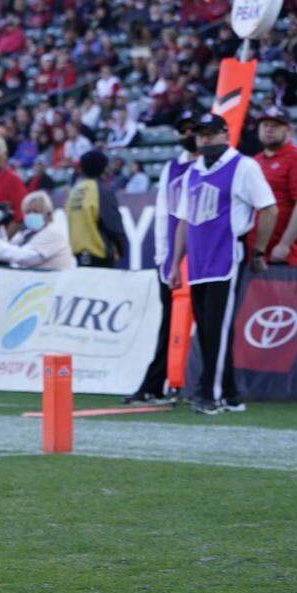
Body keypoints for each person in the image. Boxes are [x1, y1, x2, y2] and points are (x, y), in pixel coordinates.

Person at [168, 112, 277, 415]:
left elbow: (268, 208)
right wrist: (175, 263)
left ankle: (209, 393)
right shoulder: (193, 171)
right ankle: (229, 393)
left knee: (216, 328)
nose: (204, 139)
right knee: (208, 330)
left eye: (210, 134)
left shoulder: (243, 166)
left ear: (225, 135)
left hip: (227, 255)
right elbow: (182, 221)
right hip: (200, 261)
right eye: (200, 134)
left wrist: (258, 251)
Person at [126, 108, 200, 406]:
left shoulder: (215, 166)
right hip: (174, 260)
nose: (188, 135)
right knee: (170, 323)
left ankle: (202, 385)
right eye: (183, 130)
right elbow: (161, 213)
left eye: (193, 129)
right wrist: (162, 257)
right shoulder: (173, 167)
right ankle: (157, 383)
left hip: (206, 257)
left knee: (207, 324)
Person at [252, 106, 297, 266]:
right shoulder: (254, 161)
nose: (268, 130)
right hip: (253, 251)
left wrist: (284, 244)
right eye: (265, 125)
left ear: (288, 130)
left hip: (279, 254)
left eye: (275, 126)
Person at [0, 191, 75, 269]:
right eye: (28, 212)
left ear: (48, 215)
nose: (31, 215)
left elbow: (22, 257)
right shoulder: (26, 234)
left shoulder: (53, 234)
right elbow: (9, 250)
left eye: (35, 211)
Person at [67, 149, 127, 267]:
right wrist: (122, 249)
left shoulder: (75, 191)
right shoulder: (101, 191)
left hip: (78, 254)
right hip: (99, 255)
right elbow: (113, 223)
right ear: (104, 168)